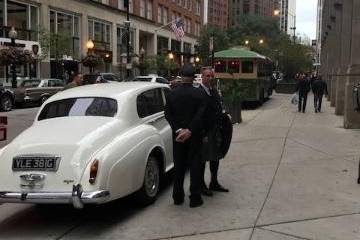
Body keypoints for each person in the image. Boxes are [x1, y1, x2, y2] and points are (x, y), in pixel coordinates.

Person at [164, 64, 207, 208]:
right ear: (194, 77)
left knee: (179, 166)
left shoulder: (171, 93)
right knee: (195, 166)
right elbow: (200, 115)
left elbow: (168, 114)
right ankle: (195, 198)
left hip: (178, 137)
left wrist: (178, 130)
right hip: (194, 136)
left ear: (180, 76)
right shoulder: (200, 94)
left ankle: (177, 197)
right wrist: (189, 130)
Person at [199, 69, 229, 197]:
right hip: (205, 132)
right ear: (202, 77)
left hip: (216, 129)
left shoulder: (213, 91)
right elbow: (198, 115)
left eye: (212, 76)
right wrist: (202, 134)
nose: (210, 78)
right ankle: (201, 185)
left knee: (216, 157)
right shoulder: (199, 92)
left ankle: (214, 182)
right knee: (203, 159)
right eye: (207, 76)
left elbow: (218, 106)